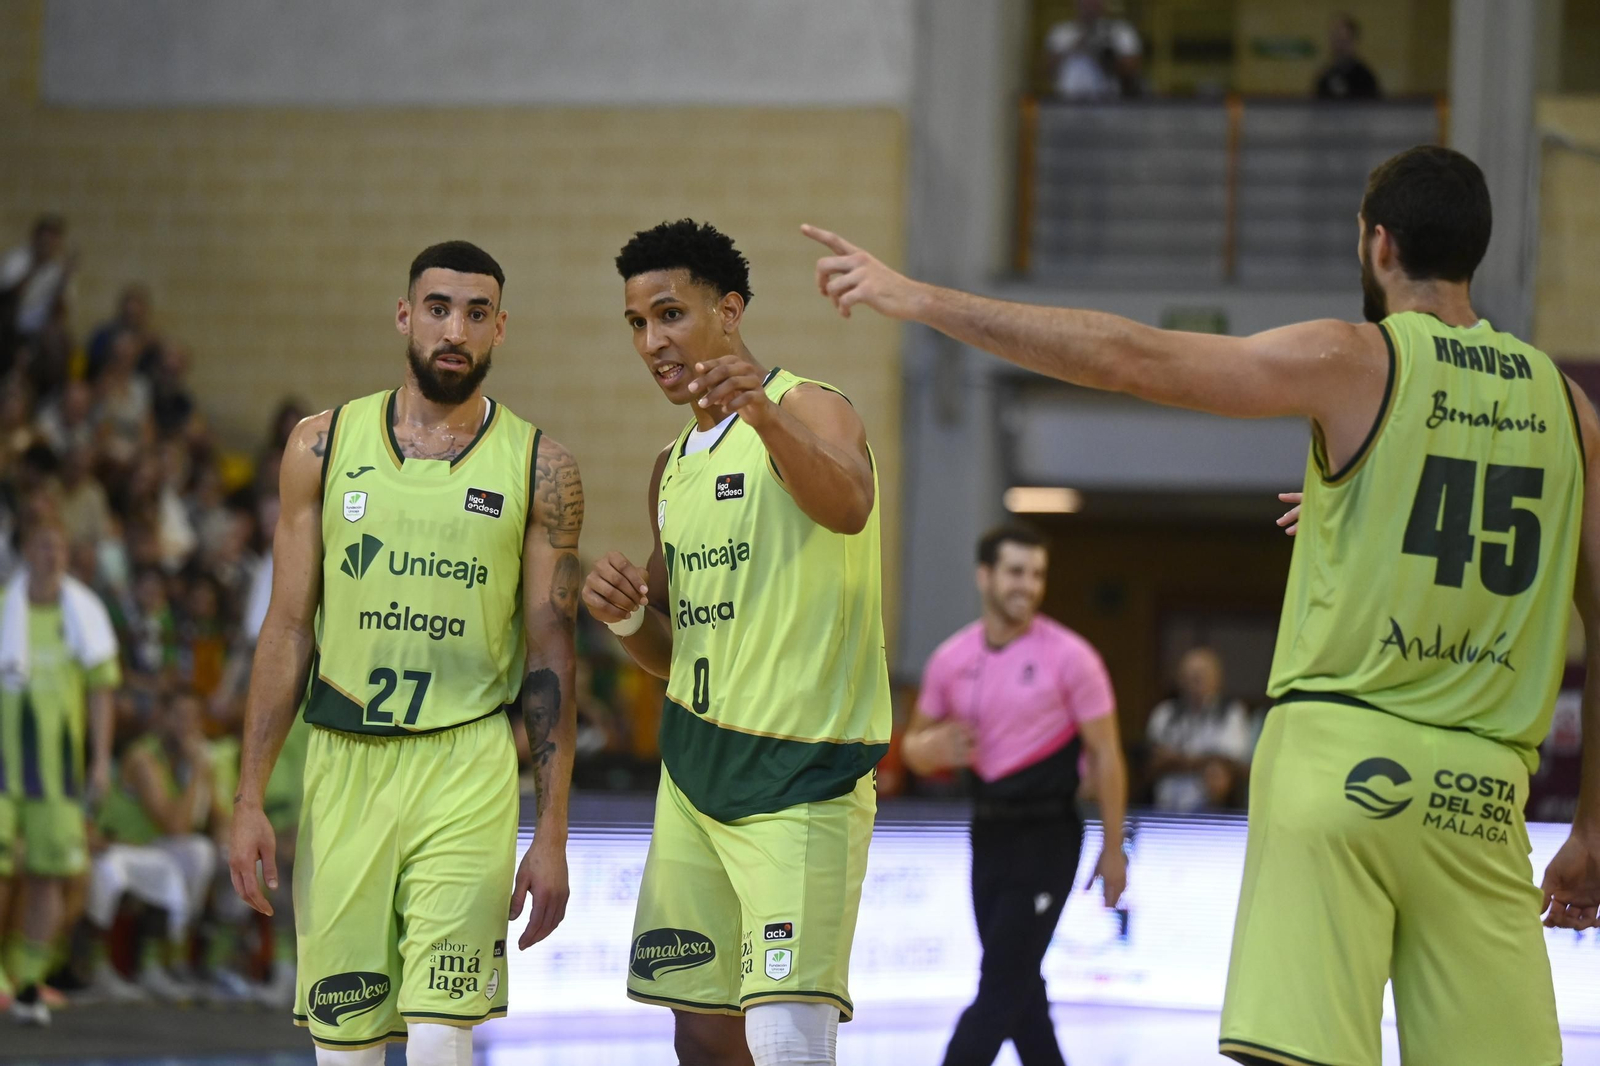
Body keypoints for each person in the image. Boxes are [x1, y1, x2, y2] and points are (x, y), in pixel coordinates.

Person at [803, 143, 1600, 1066]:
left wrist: (921, 298)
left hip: (1337, 767)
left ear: (1379, 246)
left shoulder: (1355, 359)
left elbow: (1130, 356)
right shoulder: (1570, 412)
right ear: (1477, 251)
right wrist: (1590, 825)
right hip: (1484, 794)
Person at [226, 241, 582, 1065]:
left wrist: (554, 829)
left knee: (439, 1036)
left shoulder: (542, 467)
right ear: (404, 315)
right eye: (437, 308)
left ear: (501, 329)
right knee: (345, 1044)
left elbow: (551, 654)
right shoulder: (321, 445)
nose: (455, 329)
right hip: (345, 763)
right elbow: (285, 629)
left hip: (467, 765)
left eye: (476, 313)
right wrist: (249, 795)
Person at [582, 219, 891, 1066]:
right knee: (702, 1029)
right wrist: (621, 621)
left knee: (788, 1035)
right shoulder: (670, 467)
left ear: (730, 310)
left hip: (801, 774)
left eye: (671, 314)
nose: (653, 341)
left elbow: (852, 504)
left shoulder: (808, 405)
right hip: (695, 773)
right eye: (638, 324)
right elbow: (676, 657)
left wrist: (761, 414)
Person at [903, 524, 1127, 1066]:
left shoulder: (1072, 657)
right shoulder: (951, 660)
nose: (1027, 585)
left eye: (1037, 574)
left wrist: (1114, 847)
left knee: (1001, 981)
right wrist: (929, 746)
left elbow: (1108, 756)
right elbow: (910, 746)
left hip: (1048, 835)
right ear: (985, 576)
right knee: (1022, 990)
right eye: (1015, 572)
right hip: (989, 831)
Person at [0, 509, 118, 1025]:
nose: (52, 556)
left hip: (57, 777)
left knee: (50, 878)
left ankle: (26, 981)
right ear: (26, 549)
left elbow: (101, 693)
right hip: (2, 772)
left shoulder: (83, 613)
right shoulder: (4, 609)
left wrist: (98, 760)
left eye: (60, 547)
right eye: (44, 545)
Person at [1144, 647, 1254, 812]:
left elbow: (1232, 762)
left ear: (1217, 678)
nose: (1195, 680)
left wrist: (1177, 760)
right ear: (1179, 678)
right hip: (1165, 809)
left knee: (1217, 774)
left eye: (1201, 674)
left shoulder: (1231, 713)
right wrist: (1204, 761)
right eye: (1189, 674)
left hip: (1213, 810)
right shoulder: (1165, 713)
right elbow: (1152, 763)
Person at [1040, 0, 1142, 101]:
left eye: (1094, 2)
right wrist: (1073, 48)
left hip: (1107, 102)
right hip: (1067, 101)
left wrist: (1102, 54)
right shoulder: (1060, 32)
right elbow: (1047, 70)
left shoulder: (1120, 31)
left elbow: (1132, 71)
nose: (1089, 6)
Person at [1314, 14, 1381, 101]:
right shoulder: (1325, 77)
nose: (1339, 46)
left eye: (1343, 40)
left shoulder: (1365, 78)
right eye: (1335, 40)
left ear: (1354, 41)